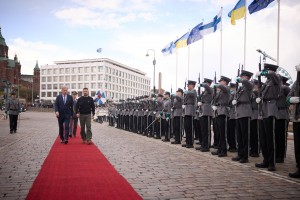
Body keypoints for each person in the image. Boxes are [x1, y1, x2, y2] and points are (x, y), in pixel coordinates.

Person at [255, 63, 281, 171]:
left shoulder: (276, 78)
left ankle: (272, 162)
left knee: (270, 137)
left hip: (270, 108)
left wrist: (266, 72)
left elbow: (274, 75)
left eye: (266, 71)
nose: (265, 73)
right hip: (263, 109)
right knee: (263, 138)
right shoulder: (266, 82)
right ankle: (265, 160)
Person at [231, 70, 254, 163]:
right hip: (239, 112)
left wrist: (241, 80)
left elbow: (248, 84)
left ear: (247, 77)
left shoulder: (249, 85)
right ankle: (240, 153)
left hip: (245, 111)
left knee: (245, 135)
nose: (241, 78)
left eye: (243, 76)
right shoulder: (241, 88)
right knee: (239, 136)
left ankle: (245, 156)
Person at [211, 76, 231, 157]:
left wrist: (217, 85)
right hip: (218, 111)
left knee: (223, 132)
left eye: (221, 81)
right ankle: (219, 149)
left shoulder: (227, 89)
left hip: (223, 111)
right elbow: (215, 99)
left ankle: (224, 150)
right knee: (218, 132)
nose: (219, 82)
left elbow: (223, 88)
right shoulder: (220, 91)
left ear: (225, 82)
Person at [287, 64, 300, 178]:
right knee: (297, 144)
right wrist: (290, 99)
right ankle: (299, 167)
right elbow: (288, 96)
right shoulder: (296, 82)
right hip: (296, 116)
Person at [198, 78, 213, 152]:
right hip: (203, 110)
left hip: (207, 110)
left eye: (206, 83)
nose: (204, 85)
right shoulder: (204, 92)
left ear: (209, 84)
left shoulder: (210, 89)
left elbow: (207, 87)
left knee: (207, 130)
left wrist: (202, 84)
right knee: (203, 130)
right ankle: (203, 144)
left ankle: (207, 145)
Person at [182, 80, 197, 148]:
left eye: (189, 85)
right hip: (186, 110)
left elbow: (191, 94)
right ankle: (188, 141)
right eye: (188, 85)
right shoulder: (188, 92)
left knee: (190, 127)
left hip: (191, 110)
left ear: (192, 85)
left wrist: (186, 92)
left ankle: (190, 143)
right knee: (187, 127)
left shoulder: (194, 91)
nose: (188, 86)